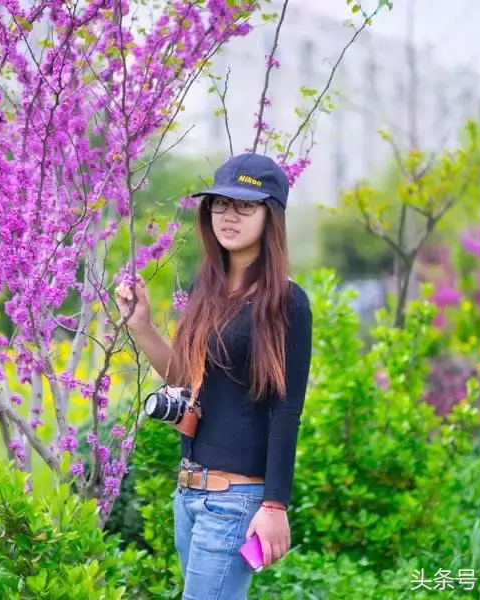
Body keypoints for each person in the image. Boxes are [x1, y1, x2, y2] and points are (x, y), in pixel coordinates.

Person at [115, 153, 313, 599]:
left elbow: (287, 411)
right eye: (220, 204)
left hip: (235, 501)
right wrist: (142, 326)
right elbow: (187, 382)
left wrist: (275, 505)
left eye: (245, 206)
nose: (229, 215)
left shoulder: (287, 302)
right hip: (189, 496)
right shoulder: (209, 291)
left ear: (272, 215)